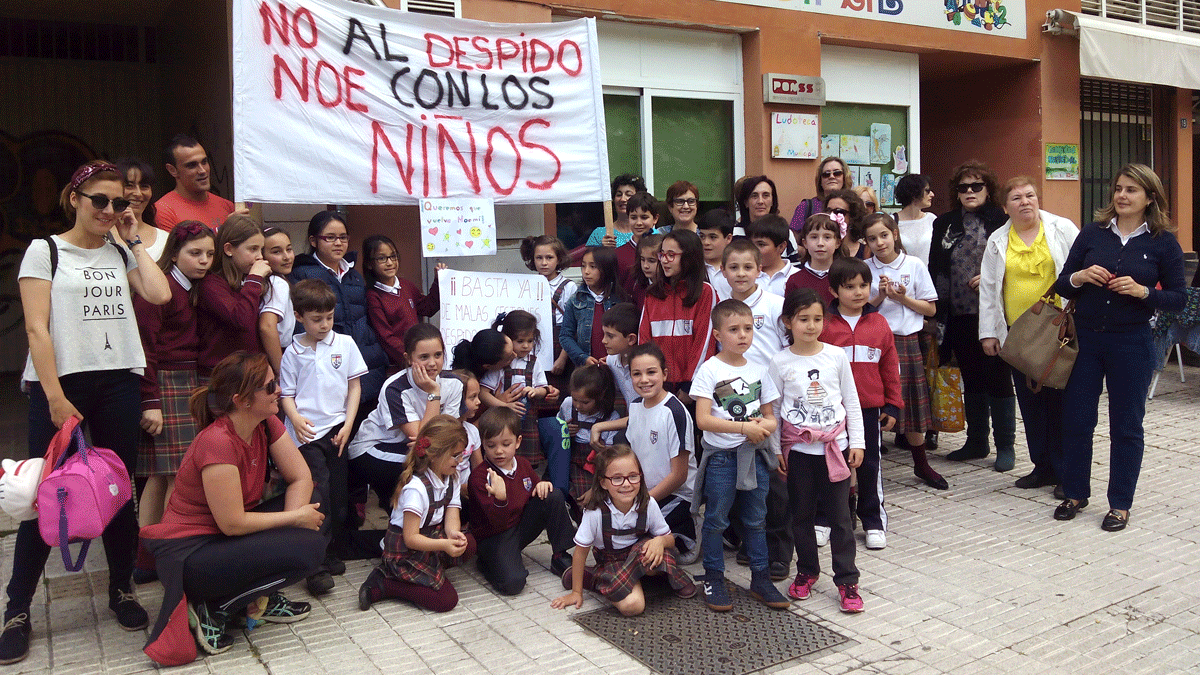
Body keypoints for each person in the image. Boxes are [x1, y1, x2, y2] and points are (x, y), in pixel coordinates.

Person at [0, 161, 171, 665]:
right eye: (100, 200)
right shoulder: (45, 251)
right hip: (62, 383)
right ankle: (16, 609)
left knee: (118, 488)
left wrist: (134, 238)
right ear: (74, 197)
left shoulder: (121, 250)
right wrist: (53, 396)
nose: (110, 210)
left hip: (119, 378)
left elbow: (159, 294)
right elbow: (37, 330)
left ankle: (121, 590)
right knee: (44, 493)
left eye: (120, 202)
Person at [141, 352, 324, 663]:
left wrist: (294, 528)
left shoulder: (266, 423)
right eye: (269, 387)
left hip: (223, 542)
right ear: (242, 401)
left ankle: (256, 595)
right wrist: (295, 522)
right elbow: (232, 524)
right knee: (308, 548)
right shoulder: (217, 442)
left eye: (275, 382)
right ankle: (214, 607)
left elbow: (301, 476)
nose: (278, 390)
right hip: (191, 556)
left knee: (317, 516)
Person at [1052, 164, 1185, 532]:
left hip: (1133, 342)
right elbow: (1063, 282)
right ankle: (1076, 493)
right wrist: (1080, 276)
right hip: (1087, 340)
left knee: (1126, 425)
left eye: (1132, 190)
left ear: (1150, 198)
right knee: (1078, 418)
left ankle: (1120, 503)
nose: (1122, 196)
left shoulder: (1162, 241)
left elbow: (1178, 298)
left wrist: (1145, 292)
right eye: (1119, 189)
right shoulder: (1093, 233)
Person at [769, 288, 865, 614]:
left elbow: (851, 402)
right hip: (798, 453)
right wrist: (776, 450)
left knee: (840, 519)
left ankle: (847, 580)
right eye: (803, 319)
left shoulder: (836, 356)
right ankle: (807, 571)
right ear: (788, 322)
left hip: (834, 450)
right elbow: (775, 408)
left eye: (817, 319)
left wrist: (858, 443)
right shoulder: (780, 362)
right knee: (802, 516)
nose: (811, 326)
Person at [979, 178, 1078, 488]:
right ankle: (1042, 466)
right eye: (1017, 198)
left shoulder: (1062, 229)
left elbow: (1081, 271)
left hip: (1057, 330)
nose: (1025, 202)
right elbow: (989, 289)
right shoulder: (998, 239)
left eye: (1030, 195)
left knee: (1059, 403)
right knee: (1030, 402)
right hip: (1018, 334)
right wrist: (988, 333)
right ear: (1006, 206)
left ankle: (1065, 473)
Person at [132, 222, 217, 584]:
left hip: (188, 382)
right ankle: (168, 559)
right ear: (175, 254)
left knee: (160, 474)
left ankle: (146, 558)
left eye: (209, 254)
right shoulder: (161, 288)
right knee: (176, 479)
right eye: (195, 253)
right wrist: (150, 400)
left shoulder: (192, 288)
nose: (203, 261)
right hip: (166, 384)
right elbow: (145, 348)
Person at [691, 299, 788, 612]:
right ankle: (714, 577)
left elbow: (772, 417)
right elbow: (703, 420)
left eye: (748, 328)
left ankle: (760, 578)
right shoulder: (709, 370)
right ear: (718, 334)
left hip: (755, 457)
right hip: (721, 458)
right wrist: (744, 427)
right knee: (716, 519)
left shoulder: (760, 369)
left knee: (756, 519)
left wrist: (763, 426)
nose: (743, 335)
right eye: (734, 329)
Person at [279, 279, 367, 593]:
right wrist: (296, 419)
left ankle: (329, 551)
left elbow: (354, 387)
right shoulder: (293, 351)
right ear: (300, 316)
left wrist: (347, 425)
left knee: (338, 498)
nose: (324, 324)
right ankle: (313, 566)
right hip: (306, 436)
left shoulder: (344, 344)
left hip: (337, 431)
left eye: (329, 317)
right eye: (317, 319)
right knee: (318, 497)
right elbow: (286, 394)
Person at [929, 161, 1016, 466]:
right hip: (959, 312)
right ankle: (977, 442)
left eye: (976, 186)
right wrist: (936, 315)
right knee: (971, 377)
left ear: (988, 189)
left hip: (994, 314)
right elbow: (935, 267)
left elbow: (1014, 266)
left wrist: (990, 277)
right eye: (963, 187)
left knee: (998, 378)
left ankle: (1006, 446)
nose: (969, 192)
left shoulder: (1003, 221)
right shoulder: (945, 223)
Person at [349, 324, 466, 540]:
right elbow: (424, 440)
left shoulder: (455, 383)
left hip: (409, 448)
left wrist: (431, 440)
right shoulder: (394, 387)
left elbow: (448, 433)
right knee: (424, 464)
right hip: (372, 448)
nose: (432, 363)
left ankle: (429, 527)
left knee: (441, 462)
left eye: (438, 355)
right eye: (424, 357)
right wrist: (433, 393)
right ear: (408, 358)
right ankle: (404, 537)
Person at [550, 445, 695, 616]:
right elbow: (580, 553)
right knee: (633, 607)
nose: (626, 484)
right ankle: (595, 578)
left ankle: (637, 578)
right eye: (617, 479)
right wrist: (576, 592)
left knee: (655, 555)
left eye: (633, 477)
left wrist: (660, 541)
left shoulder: (648, 503)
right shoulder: (595, 512)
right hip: (612, 561)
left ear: (640, 477)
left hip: (641, 554)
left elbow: (669, 538)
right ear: (603, 482)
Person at [819, 258, 904, 551]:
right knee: (830, 463)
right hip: (831, 411)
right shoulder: (825, 326)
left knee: (869, 465)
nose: (858, 292)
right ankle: (824, 519)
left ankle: (873, 522)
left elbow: (890, 367)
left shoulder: (879, 323)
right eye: (849, 286)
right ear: (833, 290)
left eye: (863, 285)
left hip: (869, 409)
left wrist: (893, 404)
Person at [719, 240, 790, 579]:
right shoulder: (721, 307)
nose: (741, 273)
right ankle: (749, 539)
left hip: (770, 401)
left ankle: (778, 550)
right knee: (741, 476)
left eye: (748, 267)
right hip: (735, 401)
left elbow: (790, 350)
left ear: (760, 270)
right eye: (734, 267)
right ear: (723, 271)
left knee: (773, 476)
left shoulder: (776, 305)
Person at [862, 214, 948, 488]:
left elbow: (931, 309)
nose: (879, 242)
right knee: (872, 401)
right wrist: (881, 296)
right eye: (872, 238)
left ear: (895, 234)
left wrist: (902, 298)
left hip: (906, 340)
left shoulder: (914, 264)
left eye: (884, 235)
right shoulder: (864, 269)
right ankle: (869, 469)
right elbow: (859, 310)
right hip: (874, 341)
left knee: (909, 404)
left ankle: (921, 464)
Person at [357, 415, 476, 612]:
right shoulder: (416, 488)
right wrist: (444, 545)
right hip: (405, 552)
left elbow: (452, 516)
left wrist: (454, 535)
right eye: (455, 455)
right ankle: (386, 583)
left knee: (469, 544)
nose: (460, 460)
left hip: (431, 541)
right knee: (446, 600)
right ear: (435, 455)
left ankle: (428, 573)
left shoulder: (451, 478)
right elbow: (411, 538)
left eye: (461, 454)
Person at [591, 344, 698, 558]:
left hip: (676, 496)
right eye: (636, 374)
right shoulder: (637, 406)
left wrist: (642, 503)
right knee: (603, 536)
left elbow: (679, 476)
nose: (644, 380)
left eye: (651, 372)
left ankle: (687, 535)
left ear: (664, 374)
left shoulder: (674, 412)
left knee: (630, 545)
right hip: (641, 492)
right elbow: (633, 436)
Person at [469, 407, 576, 595]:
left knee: (553, 494)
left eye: (506, 444)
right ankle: (488, 562)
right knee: (513, 583)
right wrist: (500, 498)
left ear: (517, 442)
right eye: (491, 445)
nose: (499, 451)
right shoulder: (480, 477)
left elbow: (534, 490)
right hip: (494, 537)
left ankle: (560, 555)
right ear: (483, 445)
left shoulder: (523, 464)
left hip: (519, 528)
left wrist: (541, 484)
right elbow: (496, 523)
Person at [291, 211, 388, 405]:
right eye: (330, 237)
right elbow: (302, 326)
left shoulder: (354, 275)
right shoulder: (302, 275)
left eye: (343, 237)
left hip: (367, 363)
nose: (338, 243)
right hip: (330, 367)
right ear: (313, 240)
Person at [638, 230, 717, 395]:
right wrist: (650, 377)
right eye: (662, 254)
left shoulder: (705, 292)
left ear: (689, 257)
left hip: (691, 387)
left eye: (671, 255)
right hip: (658, 386)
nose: (665, 261)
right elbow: (644, 340)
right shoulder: (652, 294)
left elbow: (704, 343)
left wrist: (691, 384)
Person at [197, 214, 269, 375]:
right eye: (252, 249)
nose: (260, 256)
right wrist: (255, 279)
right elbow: (240, 319)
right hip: (221, 374)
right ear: (229, 249)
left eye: (261, 249)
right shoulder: (211, 284)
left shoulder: (248, 281)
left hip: (249, 371)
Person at [480, 310, 556, 462]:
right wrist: (504, 406)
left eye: (530, 341)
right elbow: (483, 393)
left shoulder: (534, 362)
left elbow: (544, 388)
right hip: (501, 421)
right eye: (520, 341)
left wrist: (536, 391)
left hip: (528, 420)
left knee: (527, 461)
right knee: (502, 457)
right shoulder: (502, 362)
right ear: (507, 338)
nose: (526, 346)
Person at [364, 234, 442, 370]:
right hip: (400, 363)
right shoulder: (373, 296)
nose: (390, 263)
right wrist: (410, 358)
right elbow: (386, 337)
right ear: (369, 264)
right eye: (382, 258)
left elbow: (427, 308)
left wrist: (438, 281)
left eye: (393, 256)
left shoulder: (406, 286)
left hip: (420, 357)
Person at [554, 364, 620, 500]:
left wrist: (603, 449)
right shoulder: (567, 405)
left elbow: (612, 453)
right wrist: (562, 429)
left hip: (593, 464)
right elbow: (556, 424)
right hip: (567, 457)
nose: (578, 406)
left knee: (586, 495)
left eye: (585, 402)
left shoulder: (611, 417)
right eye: (575, 400)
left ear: (600, 396)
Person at [154, 135, 242, 231]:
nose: (202, 170)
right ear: (172, 170)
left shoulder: (226, 206)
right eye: (192, 165)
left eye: (204, 162)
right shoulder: (163, 211)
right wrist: (226, 230)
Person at [521, 235, 575, 380]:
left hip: (560, 347)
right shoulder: (527, 285)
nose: (544, 263)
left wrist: (563, 358)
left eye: (549, 257)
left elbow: (573, 326)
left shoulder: (568, 287)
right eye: (539, 258)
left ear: (559, 259)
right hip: (533, 345)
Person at [562, 247, 626, 367]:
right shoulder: (575, 300)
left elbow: (629, 335)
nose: (586, 271)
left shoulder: (620, 299)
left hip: (616, 366)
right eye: (583, 266)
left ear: (607, 269)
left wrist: (616, 357)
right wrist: (582, 357)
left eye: (593, 266)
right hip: (587, 368)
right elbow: (565, 335)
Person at [112, 157, 168, 262]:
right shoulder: (99, 235)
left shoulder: (166, 239)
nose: (138, 193)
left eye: (144, 186)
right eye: (129, 186)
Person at [258, 226, 297, 376]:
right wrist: (281, 371)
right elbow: (267, 326)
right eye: (276, 252)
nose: (287, 257)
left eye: (289, 249)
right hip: (275, 354)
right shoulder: (276, 283)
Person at [784, 213, 844, 308]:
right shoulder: (795, 280)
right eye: (814, 237)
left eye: (827, 237)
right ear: (805, 243)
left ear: (838, 243)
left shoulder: (845, 277)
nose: (820, 243)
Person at [790, 156, 854, 232]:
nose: (831, 177)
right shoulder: (805, 207)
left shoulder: (854, 206)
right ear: (820, 181)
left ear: (844, 178)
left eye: (837, 173)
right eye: (826, 174)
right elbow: (793, 241)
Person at [586, 174, 647, 248]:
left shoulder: (649, 233)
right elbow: (587, 258)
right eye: (619, 195)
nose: (623, 199)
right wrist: (601, 249)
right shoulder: (599, 233)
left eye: (628, 195)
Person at [599, 303, 640, 412]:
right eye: (604, 334)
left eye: (610, 336)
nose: (604, 340)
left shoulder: (644, 367)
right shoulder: (611, 361)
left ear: (631, 339)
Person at [615, 192, 660, 282]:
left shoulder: (663, 249)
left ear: (655, 219)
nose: (638, 223)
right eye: (633, 217)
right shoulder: (618, 254)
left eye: (644, 217)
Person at [894, 174, 936, 267]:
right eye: (927, 191)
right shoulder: (892, 221)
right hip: (902, 277)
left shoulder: (931, 219)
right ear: (914, 193)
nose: (932, 194)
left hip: (927, 278)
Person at [697, 209, 736, 300]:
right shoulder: (693, 267)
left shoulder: (737, 269)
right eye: (702, 236)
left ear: (728, 238)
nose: (706, 242)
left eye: (713, 237)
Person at [823, 189, 869, 259]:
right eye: (828, 211)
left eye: (838, 212)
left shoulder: (866, 252)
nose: (831, 216)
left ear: (853, 216)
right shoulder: (819, 250)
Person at [622, 233, 662, 310]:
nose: (645, 266)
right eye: (642, 259)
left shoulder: (672, 288)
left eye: (652, 261)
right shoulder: (635, 284)